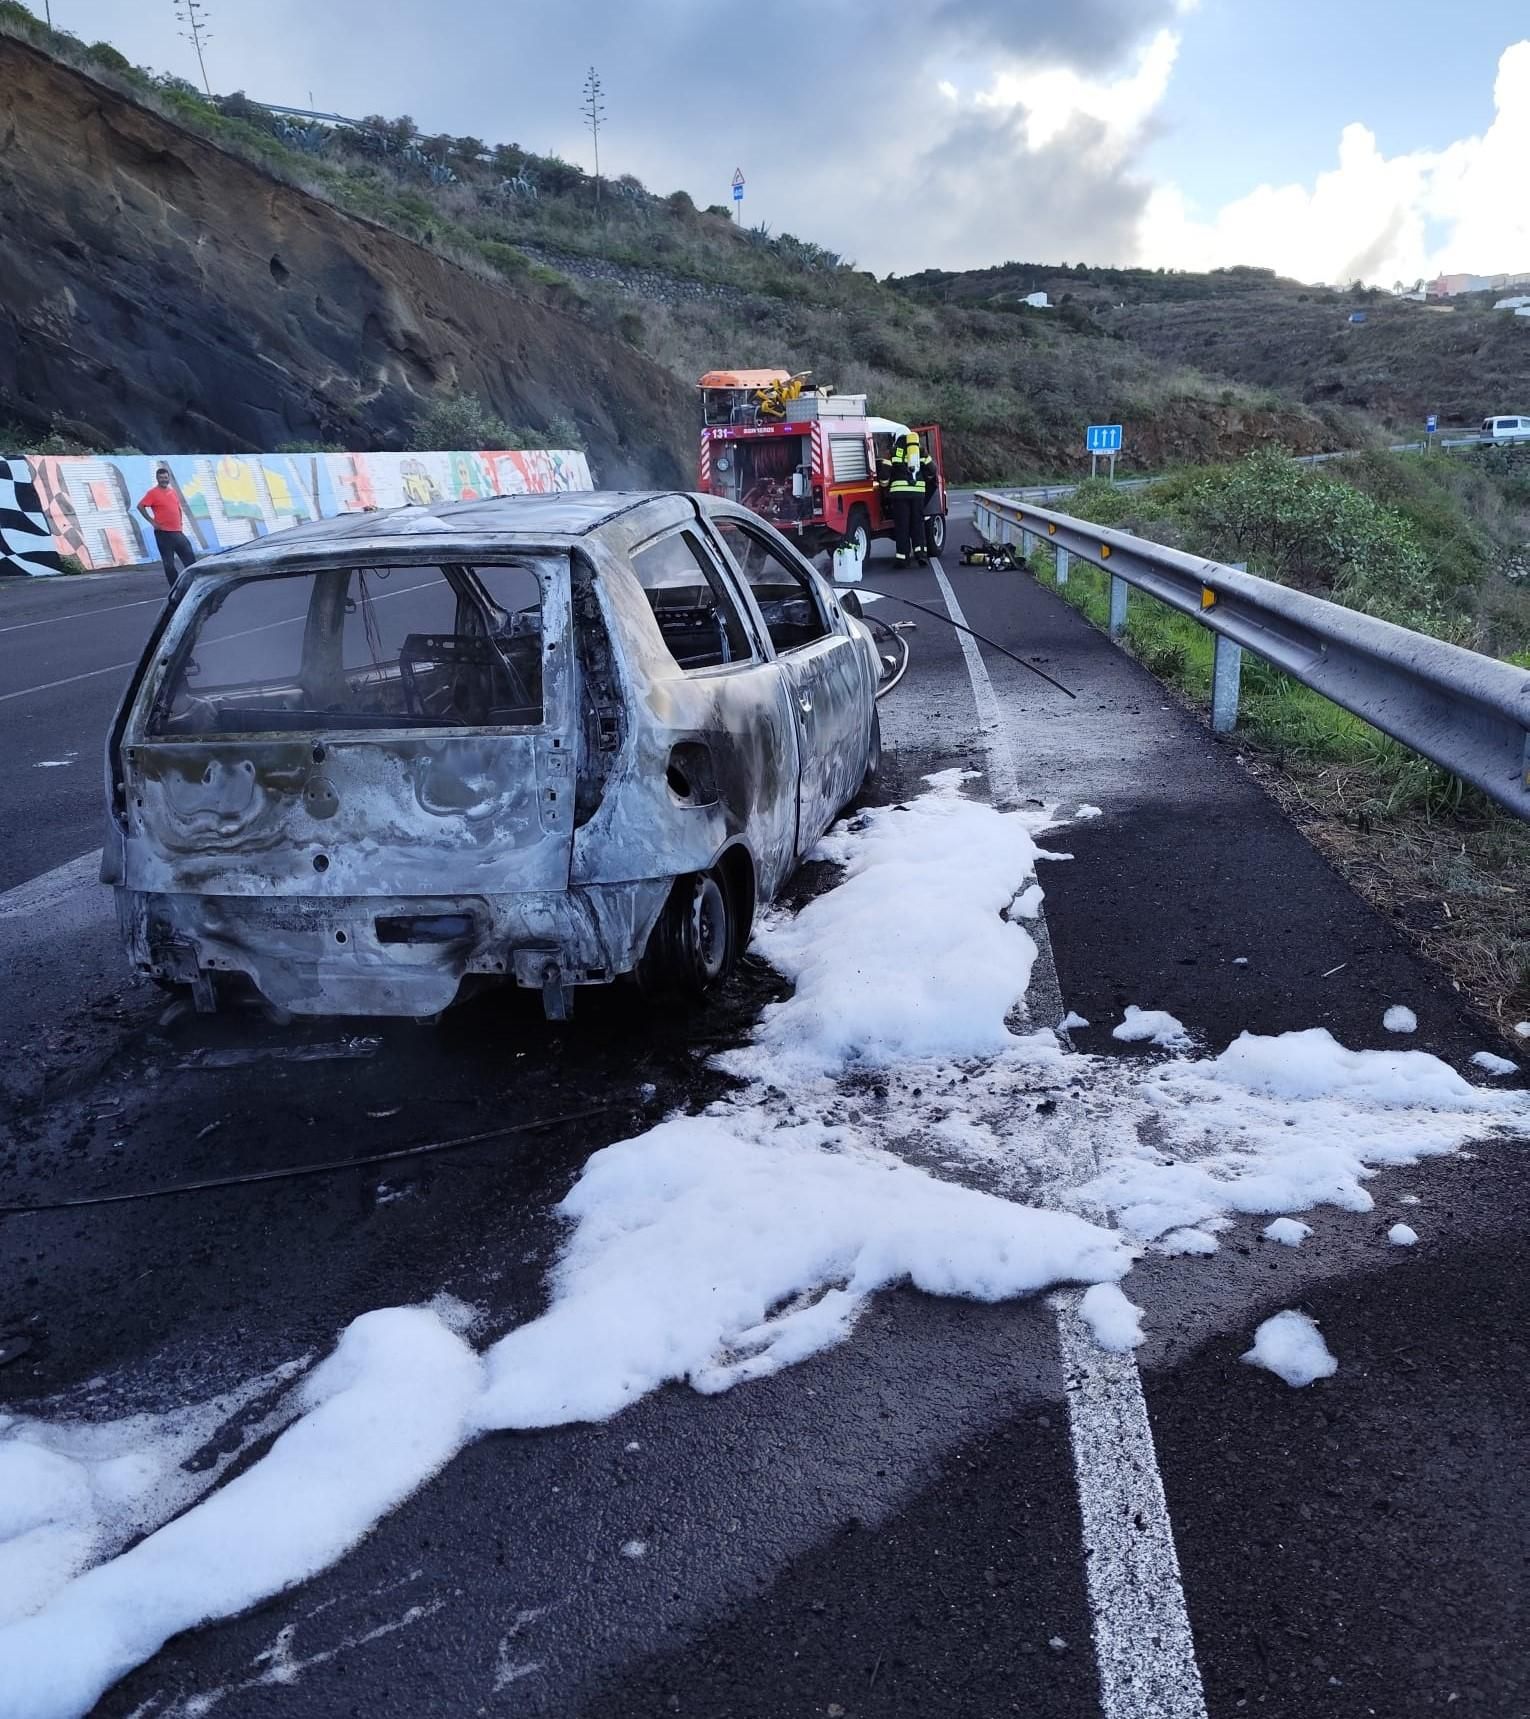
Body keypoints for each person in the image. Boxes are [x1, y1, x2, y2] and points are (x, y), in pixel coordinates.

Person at [136, 465, 198, 586]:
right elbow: (140, 506)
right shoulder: (153, 493)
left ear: (169, 478)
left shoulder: (172, 491)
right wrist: (152, 521)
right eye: (161, 478)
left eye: (166, 477)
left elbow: (177, 508)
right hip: (163, 534)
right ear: (157, 479)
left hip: (177, 532)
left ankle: (193, 584)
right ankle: (175, 588)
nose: (164, 479)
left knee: (190, 559)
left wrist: (180, 522)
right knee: (168, 564)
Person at [885, 430, 924, 567]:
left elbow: (884, 473)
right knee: (917, 524)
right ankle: (921, 554)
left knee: (902, 526)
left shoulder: (893, 451)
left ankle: (903, 559)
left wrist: (885, 486)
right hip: (918, 493)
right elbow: (932, 469)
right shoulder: (919, 450)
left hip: (900, 495)